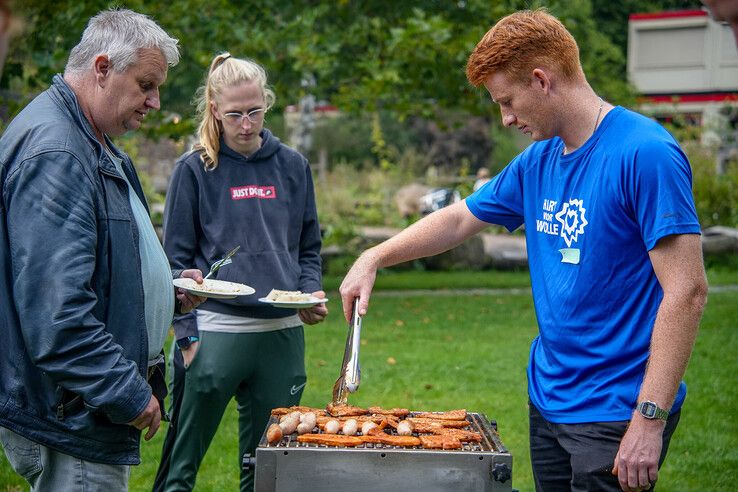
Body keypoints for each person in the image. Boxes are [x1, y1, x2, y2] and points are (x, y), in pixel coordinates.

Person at [339, 9, 707, 492]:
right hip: (549, 398)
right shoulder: (538, 160)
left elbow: (688, 292)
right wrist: (374, 256)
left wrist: (650, 419)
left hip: (617, 410)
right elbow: (458, 219)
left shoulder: (645, 153)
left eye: (507, 101)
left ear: (541, 79)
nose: (506, 118)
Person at [0, 8, 206, 491]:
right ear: (101, 68)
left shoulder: (89, 137)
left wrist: (166, 291)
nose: (155, 102)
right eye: (146, 85)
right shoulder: (59, 152)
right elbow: (57, 314)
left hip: (80, 410)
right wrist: (125, 391)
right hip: (73, 416)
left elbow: (95, 267)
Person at [153, 53, 327, 492]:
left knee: (268, 469)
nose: (246, 123)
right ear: (214, 109)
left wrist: (310, 292)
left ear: (265, 104)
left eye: (255, 111)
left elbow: (308, 247)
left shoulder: (292, 166)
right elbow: (175, 262)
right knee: (181, 468)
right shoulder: (194, 169)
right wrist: (187, 334)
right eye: (234, 114)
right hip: (214, 331)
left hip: (282, 333)